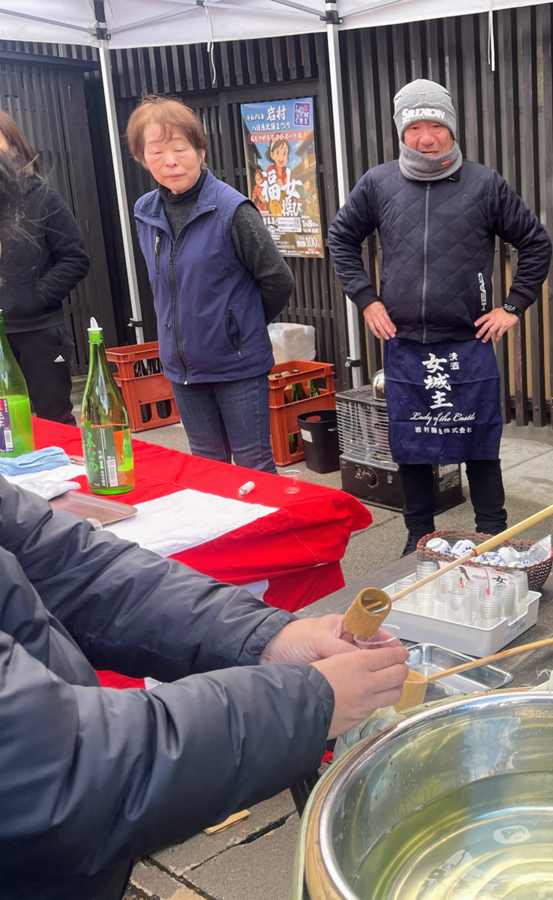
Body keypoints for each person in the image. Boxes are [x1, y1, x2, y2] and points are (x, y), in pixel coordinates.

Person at [0, 151, 410, 900]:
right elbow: (53, 774)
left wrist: (264, 637)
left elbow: (69, 563)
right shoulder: (151, 215)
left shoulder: (232, 210)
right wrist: (308, 703)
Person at [329, 79, 552, 555]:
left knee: (478, 443)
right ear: (401, 131)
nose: (425, 137)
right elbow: (341, 239)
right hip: (406, 341)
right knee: (411, 445)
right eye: (414, 127)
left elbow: (535, 243)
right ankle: (419, 536)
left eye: (435, 125)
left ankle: (493, 533)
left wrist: (512, 307)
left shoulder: (484, 183)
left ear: (451, 126)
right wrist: (367, 298)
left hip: (467, 341)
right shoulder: (378, 183)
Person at [129, 95, 295, 473]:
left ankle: (265, 533)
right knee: (207, 467)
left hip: (236, 365)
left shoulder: (232, 210)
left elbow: (277, 280)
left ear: (200, 150)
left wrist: (237, 325)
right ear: (142, 158)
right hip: (181, 367)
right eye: (155, 151)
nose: (169, 161)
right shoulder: (145, 212)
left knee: (253, 465)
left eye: (179, 148)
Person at [0, 110, 90, 425]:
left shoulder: (43, 198)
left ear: (14, 146)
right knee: (6, 430)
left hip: (38, 332)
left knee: (54, 423)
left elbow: (76, 258)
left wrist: (35, 297)